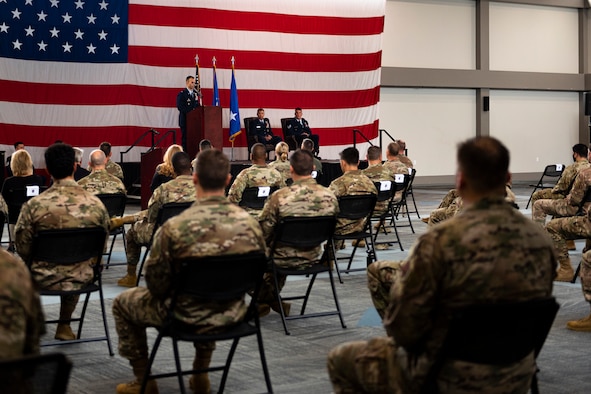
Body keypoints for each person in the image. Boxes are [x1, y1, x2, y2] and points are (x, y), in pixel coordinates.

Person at [327, 136, 557, 394]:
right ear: (508, 177)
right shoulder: (541, 240)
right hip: (517, 370)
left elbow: (404, 329)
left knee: (341, 358)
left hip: (447, 374)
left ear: (460, 181)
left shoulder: (440, 241)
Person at [112, 149, 267, 394]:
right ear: (228, 180)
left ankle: (144, 380)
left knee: (122, 303)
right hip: (234, 313)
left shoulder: (174, 228)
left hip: (183, 314)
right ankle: (201, 373)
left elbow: (155, 282)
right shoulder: (251, 226)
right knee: (214, 288)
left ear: (195, 179)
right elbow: (260, 271)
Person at [15, 143, 110, 341]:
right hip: (83, 276)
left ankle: (25, 330)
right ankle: (64, 325)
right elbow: (101, 248)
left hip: (41, 277)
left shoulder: (34, 206)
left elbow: (22, 246)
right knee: (76, 259)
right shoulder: (96, 205)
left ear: (48, 170)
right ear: (75, 167)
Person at [257, 149, 338, 317]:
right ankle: (268, 301)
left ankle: (267, 300)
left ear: (291, 169)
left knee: (240, 260)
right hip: (313, 257)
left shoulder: (279, 197)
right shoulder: (330, 196)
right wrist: (328, 257)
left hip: (281, 258)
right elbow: (335, 232)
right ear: (312, 169)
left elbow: (263, 233)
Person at [117, 151, 197, 288]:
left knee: (132, 232)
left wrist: (133, 219)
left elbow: (152, 216)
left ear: (173, 169)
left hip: (164, 235)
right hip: (195, 234)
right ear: (190, 167)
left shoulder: (163, 190)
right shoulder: (203, 188)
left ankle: (131, 275)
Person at [0, 248, 45, 359]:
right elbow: (33, 341)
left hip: (43, 273)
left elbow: (24, 247)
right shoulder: (13, 266)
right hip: (12, 371)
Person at [1, 149, 45, 251]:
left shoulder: (9, 182)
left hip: (14, 219)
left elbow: (3, 202)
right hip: (32, 219)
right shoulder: (38, 179)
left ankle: (12, 244)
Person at [329, 147, 377, 236]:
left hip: (341, 228)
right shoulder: (369, 183)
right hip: (362, 226)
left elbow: (327, 204)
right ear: (358, 162)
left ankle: (334, 247)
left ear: (343, 163)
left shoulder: (337, 184)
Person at [227, 143, 285, 217]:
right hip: (269, 216)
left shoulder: (245, 174)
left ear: (251, 156)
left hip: (248, 218)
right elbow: (284, 195)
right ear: (266, 155)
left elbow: (233, 198)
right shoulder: (276, 174)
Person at [176, 75, 200, 151]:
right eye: (192, 82)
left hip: (193, 122)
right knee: (185, 139)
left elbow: (197, 107)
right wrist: (190, 112)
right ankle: (185, 155)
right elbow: (180, 107)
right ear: (187, 83)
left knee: (193, 139)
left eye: (194, 83)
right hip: (185, 120)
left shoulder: (195, 95)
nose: (193, 84)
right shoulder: (182, 94)